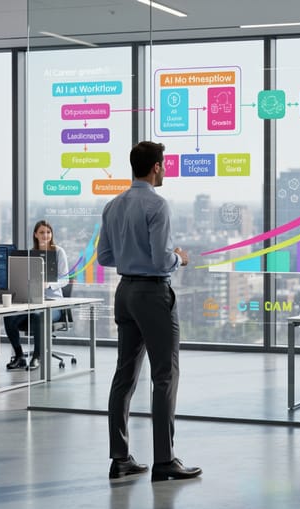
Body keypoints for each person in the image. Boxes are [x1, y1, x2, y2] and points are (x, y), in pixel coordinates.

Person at [97, 141, 201, 482]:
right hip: (153, 294)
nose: (166, 169)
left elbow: (105, 258)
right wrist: (180, 258)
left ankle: (120, 458)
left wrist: (131, 254)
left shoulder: (113, 205)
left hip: (124, 292)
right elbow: (160, 259)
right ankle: (164, 460)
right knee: (165, 376)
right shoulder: (157, 205)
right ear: (155, 166)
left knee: (123, 376)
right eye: (165, 164)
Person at [2, 220, 69, 370]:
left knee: (40, 315)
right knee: (9, 316)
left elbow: (65, 279)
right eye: (42, 232)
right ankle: (19, 356)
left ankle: (37, 356)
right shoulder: (30, 254)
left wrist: (49, 284)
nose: (45, 235)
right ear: (35, 235)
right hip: (32, 301)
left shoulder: (58, 252)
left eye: (48, 232)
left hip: (53, 303)